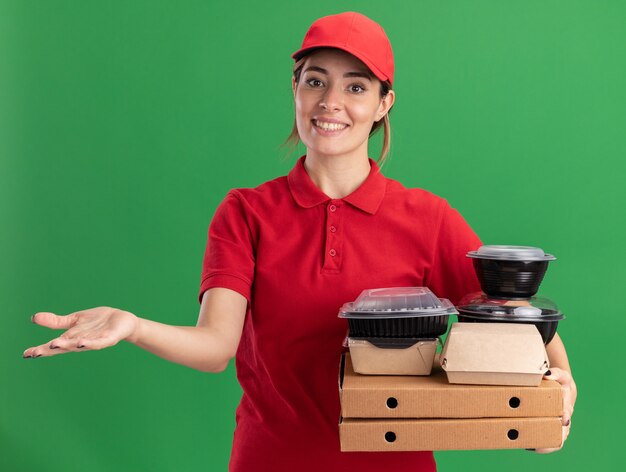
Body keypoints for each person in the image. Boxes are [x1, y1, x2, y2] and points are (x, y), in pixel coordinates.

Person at [23, 11, 576, 471]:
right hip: (270, 460)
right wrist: (134, 326)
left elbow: (509, 313)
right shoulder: (245, 213)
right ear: (295, 88)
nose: (331, 101)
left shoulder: (426, 217)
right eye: (316, 80)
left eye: (355, 86)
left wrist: (559, 384)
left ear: (384, 103)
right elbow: (217, 348)